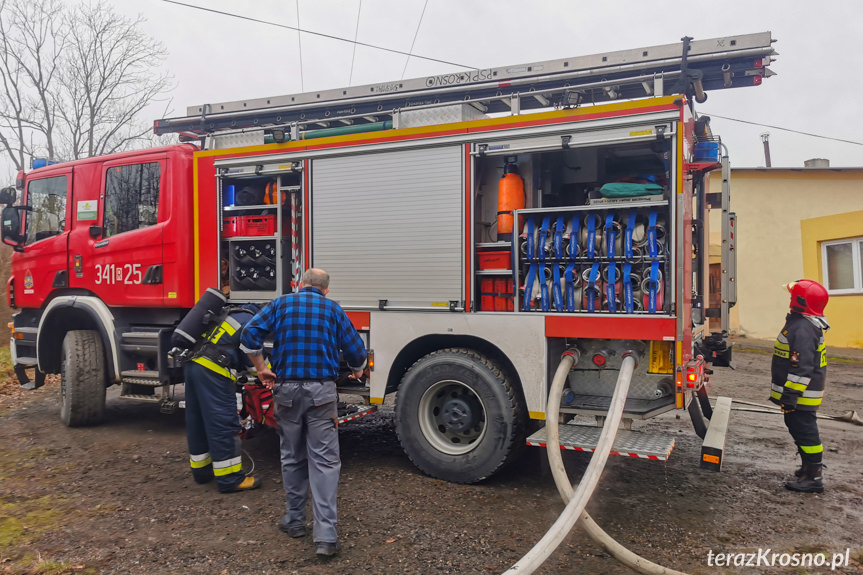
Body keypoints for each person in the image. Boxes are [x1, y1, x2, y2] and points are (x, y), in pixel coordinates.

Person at [240, 268, 366, 558]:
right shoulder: (332, 309)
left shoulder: (281, 303)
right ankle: (326, 536)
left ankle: (295, 520)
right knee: (324, 461)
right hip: (321, 394)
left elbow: (248, 335)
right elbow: (355, 350)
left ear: (300, 284)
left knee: (292, 455)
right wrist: (358, 367)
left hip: (286, 392)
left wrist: (260, 367)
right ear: (325, 290)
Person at [184, 303, 262, 493]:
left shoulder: (227, 314)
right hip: (214, 371)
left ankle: (201, 471)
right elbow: (253, 360)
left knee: (198, 421)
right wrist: (266, 372)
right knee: (223, 423)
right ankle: (230, 479)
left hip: (192, 365)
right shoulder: (252, 322)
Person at [769, 279, 829, 493]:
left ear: (799, 301)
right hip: (803, 393)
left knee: (805, 432)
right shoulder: (803, 322)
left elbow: (801, 367)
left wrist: (791, 395)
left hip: (802, 394)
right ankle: (807, 467)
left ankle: (814, 477)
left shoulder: (802, 327)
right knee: (799, 428)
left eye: (792, 295)